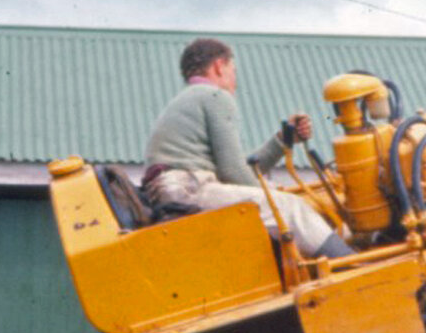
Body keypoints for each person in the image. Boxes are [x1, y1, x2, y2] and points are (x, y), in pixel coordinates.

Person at [143, 37, 354, 258]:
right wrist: (273, 196)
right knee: (289, 207)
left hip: (179, 190)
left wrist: (283, 140)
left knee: (280, 199)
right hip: (189, 189)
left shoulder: (189, 99)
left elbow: (238, 169)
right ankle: (350, 264)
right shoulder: (215, 96)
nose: (235, 80)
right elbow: (233, 172)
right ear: (219, 66)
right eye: (233, 71)